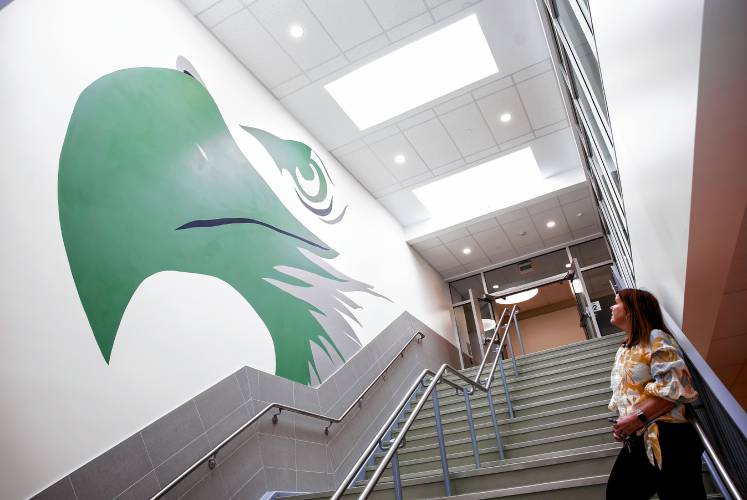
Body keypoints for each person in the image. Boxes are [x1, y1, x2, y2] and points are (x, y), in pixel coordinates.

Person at [606, 288, 705, 499]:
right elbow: (627, 394)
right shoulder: (623, 349)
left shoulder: (656, 337)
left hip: (670, 436)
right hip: (638, 438)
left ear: (632, 309)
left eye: (616, 302)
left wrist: (638, 417)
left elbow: (677, 386)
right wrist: (623, 425)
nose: (611, 307)